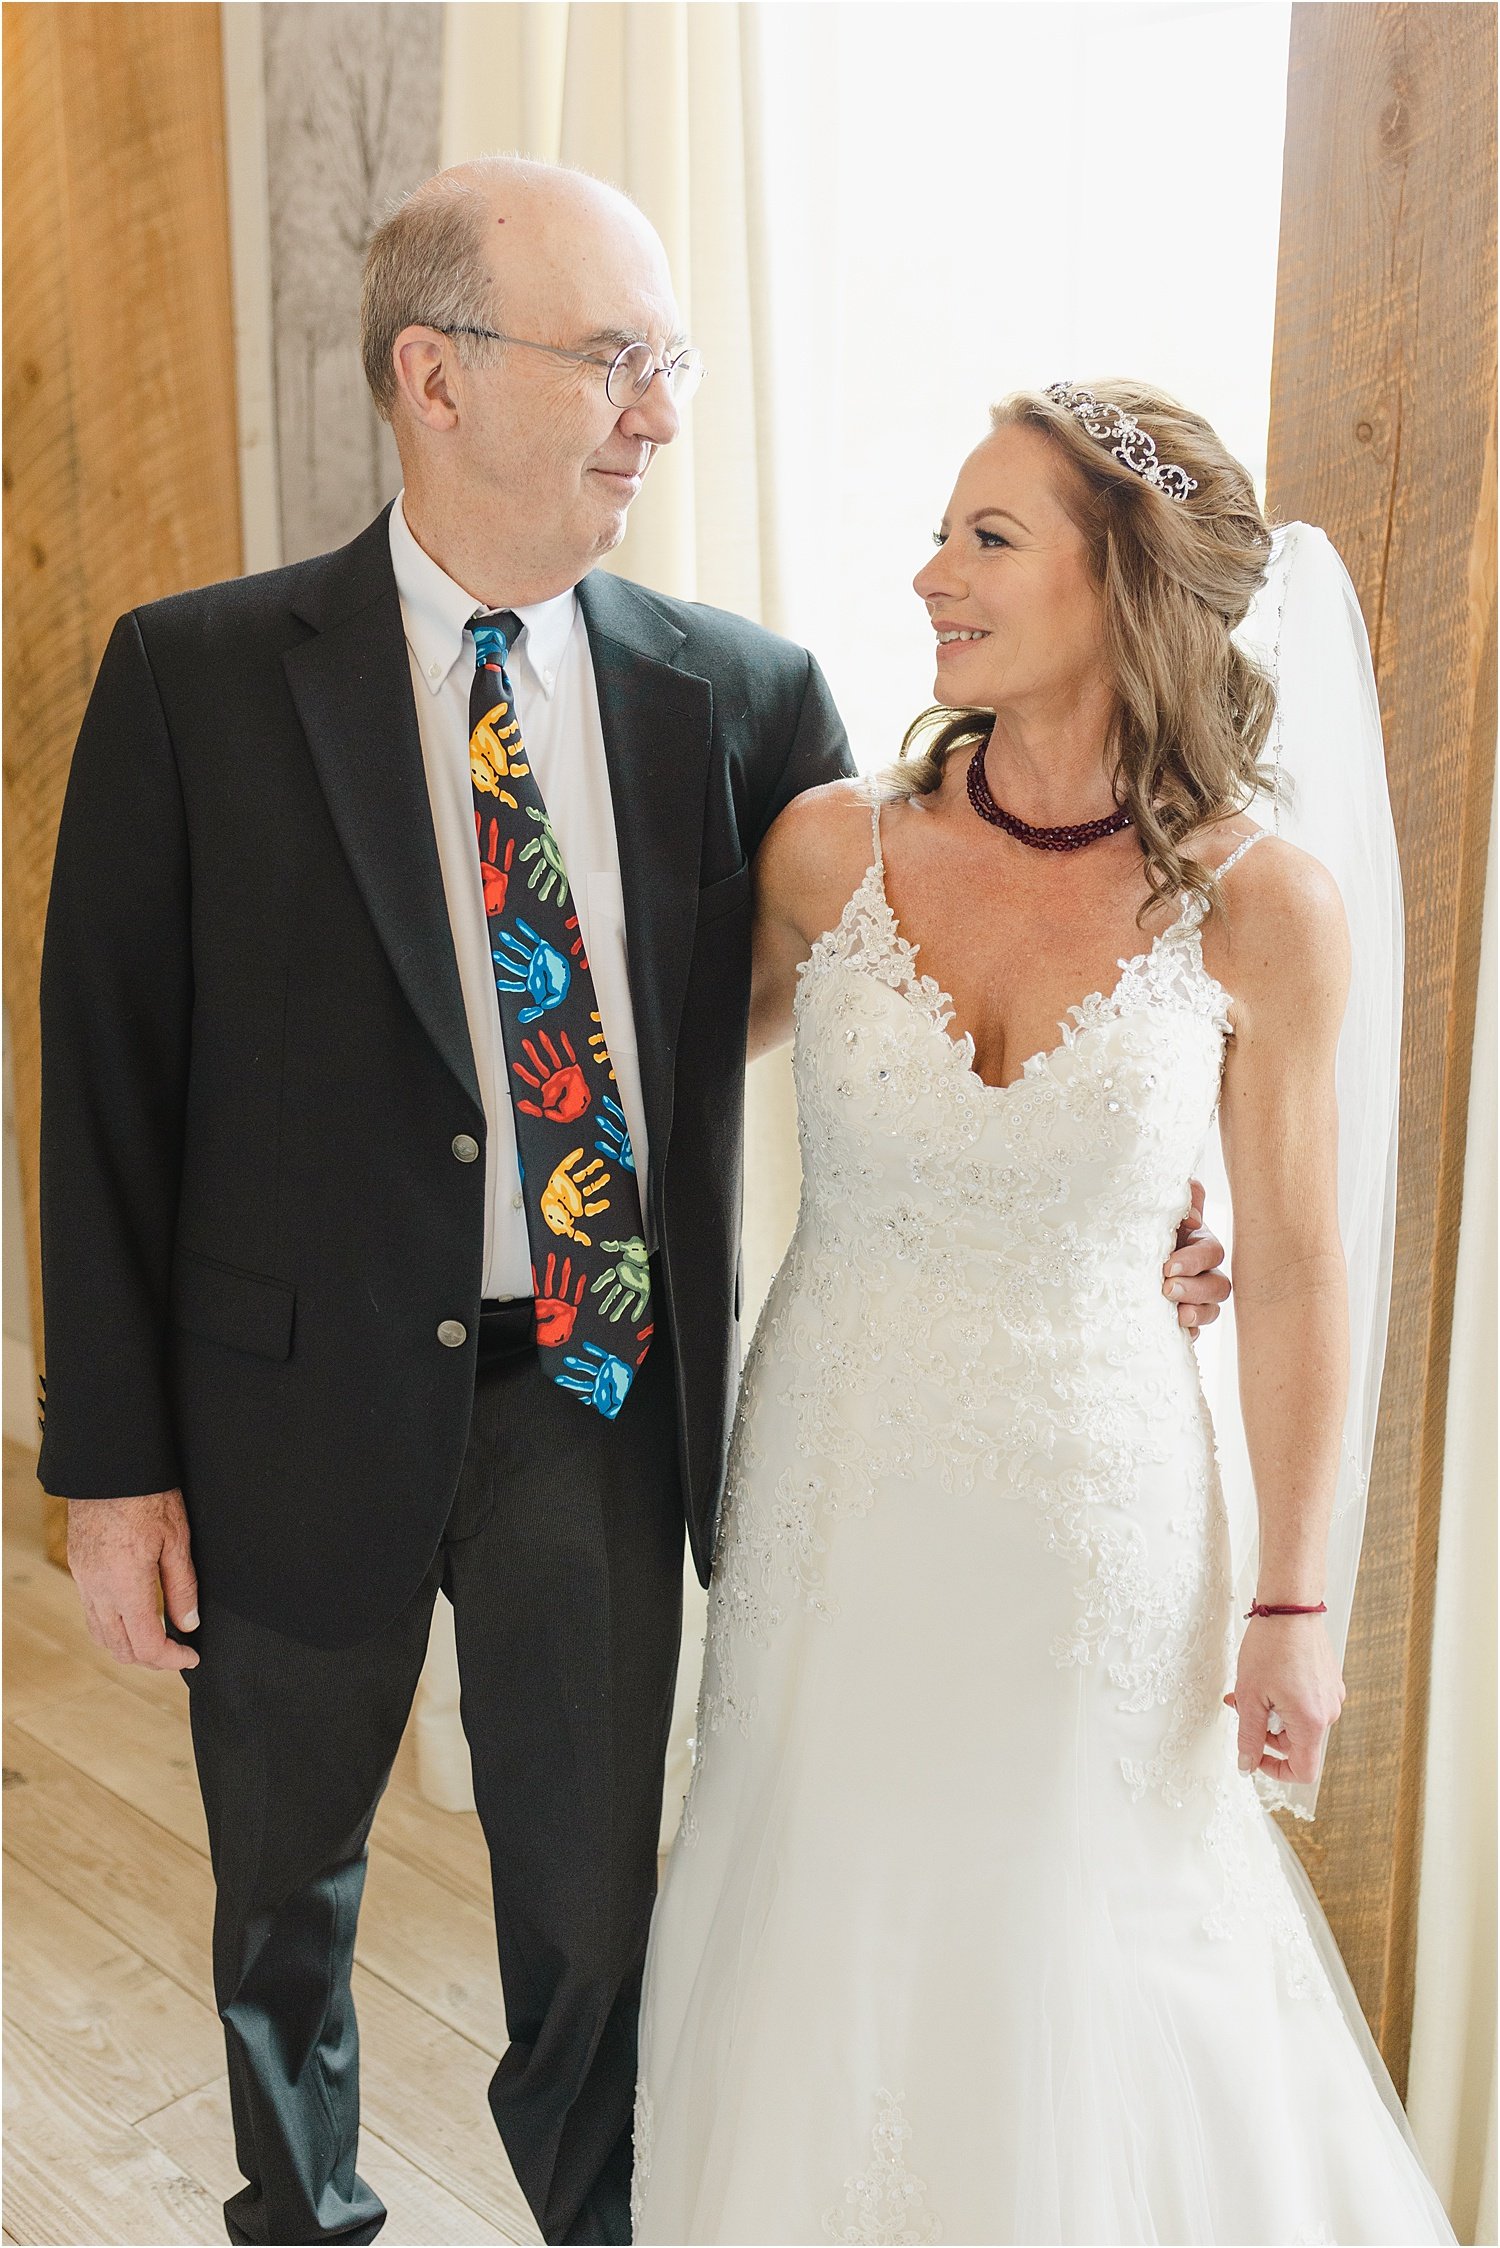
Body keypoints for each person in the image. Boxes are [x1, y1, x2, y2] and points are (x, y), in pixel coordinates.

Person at [36, 153, 1228, 2245]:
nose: (658, 411)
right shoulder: (197, 679)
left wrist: (1159, 1160)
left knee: (592, 1918)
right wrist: (111, 1462)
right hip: (283, 1398)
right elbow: (106, 1086)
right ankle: (292, 2212)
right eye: (617, 360)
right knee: (280, 1891)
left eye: (669, 363)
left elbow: (932, 972)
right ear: (437, 375)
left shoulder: (741, 697)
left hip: (593, 1387)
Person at [632, 382, 1455, 2245]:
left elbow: (1307, 1267)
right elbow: (648, 1095)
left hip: (1094, 1532)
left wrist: (1298, 1608)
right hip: (834, 1505)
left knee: (1084, 1944)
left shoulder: (1267, 912)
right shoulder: (833, 851)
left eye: (987, 540)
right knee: (816, 1928)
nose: (931, 574)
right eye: (941, 533)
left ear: (1128, 581)